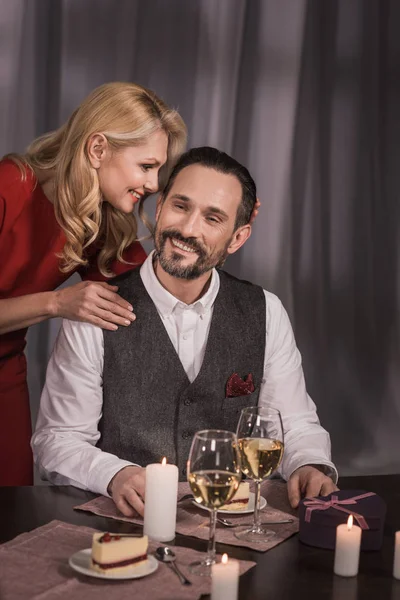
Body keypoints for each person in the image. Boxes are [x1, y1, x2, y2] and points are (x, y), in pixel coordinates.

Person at [32, 146, 338, 515]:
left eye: (212, 218)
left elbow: (295, 425)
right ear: (160, 209)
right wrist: (115, 474)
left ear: (238, 237)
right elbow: (58, 440)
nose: (188, 229)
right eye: (180, 206)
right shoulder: (95, 309)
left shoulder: (266, 311)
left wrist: (308, 463)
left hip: (233, 523)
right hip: (125, 523)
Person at [0, 81, 187, 486]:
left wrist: (220, 227)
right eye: (146, 166)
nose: (154, 184)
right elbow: (61, 303)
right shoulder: (10, 186)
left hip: (5, 377)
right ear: (98, 149)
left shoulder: (98, 219)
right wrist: (55, 303)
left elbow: (152, 287)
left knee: (11, 511)